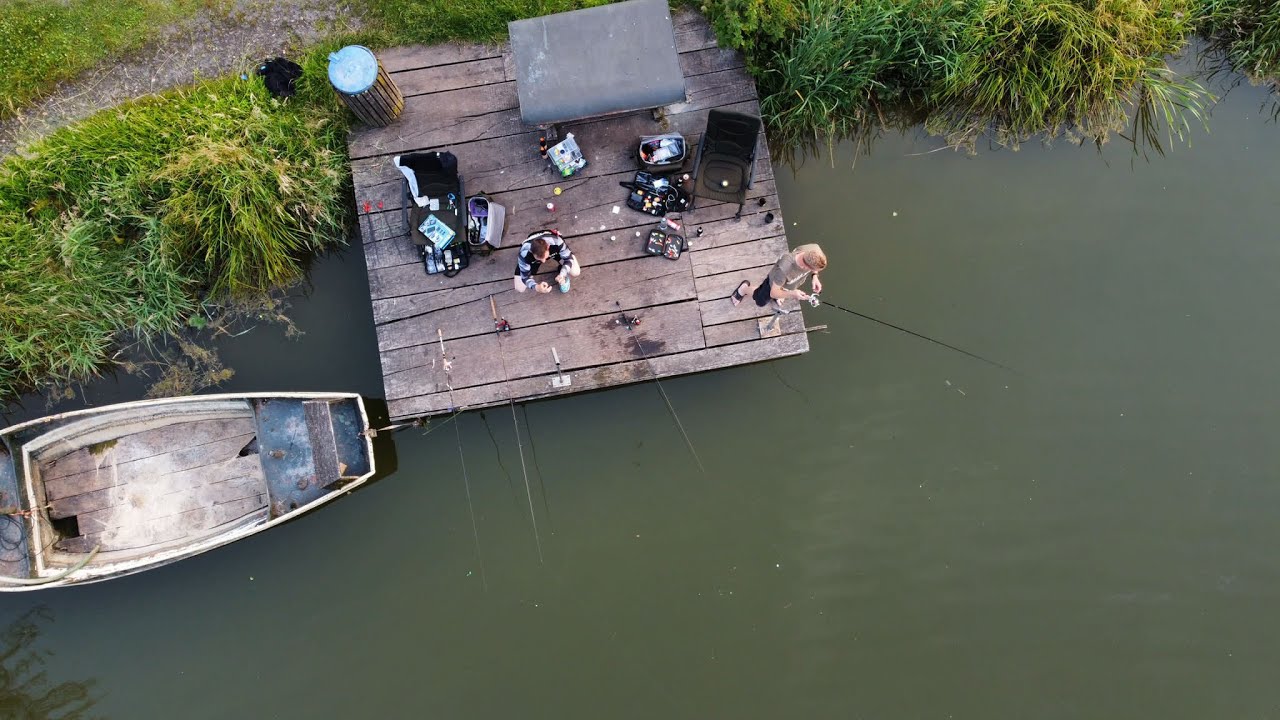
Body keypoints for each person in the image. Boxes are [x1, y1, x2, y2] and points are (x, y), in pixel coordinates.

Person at [729, 243, 826, 311]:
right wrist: (792, 294)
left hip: (789, 284)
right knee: (760, 300)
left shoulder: (815, 250)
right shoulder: (785, 268)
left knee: (780, 293)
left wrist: (815, 276)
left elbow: (816, 267)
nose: (814, 270)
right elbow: (773, 292)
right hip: (773, 285)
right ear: (806, 267)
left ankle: (781, 295)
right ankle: (744, 289)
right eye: (812, 269)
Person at [513, 229, 581, 293]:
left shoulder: (557, 241)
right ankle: (529, 263)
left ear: (548, 246)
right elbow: (525, 277)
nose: (543, 261)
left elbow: (568, 259)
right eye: (540, 259)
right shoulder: (524, 253)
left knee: (575, 271)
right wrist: (536, 287)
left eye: (544, 257)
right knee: (519, 287)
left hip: (555, 253)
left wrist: (562, 273)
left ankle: (562, 273)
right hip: (533, 261)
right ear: (532, 252)